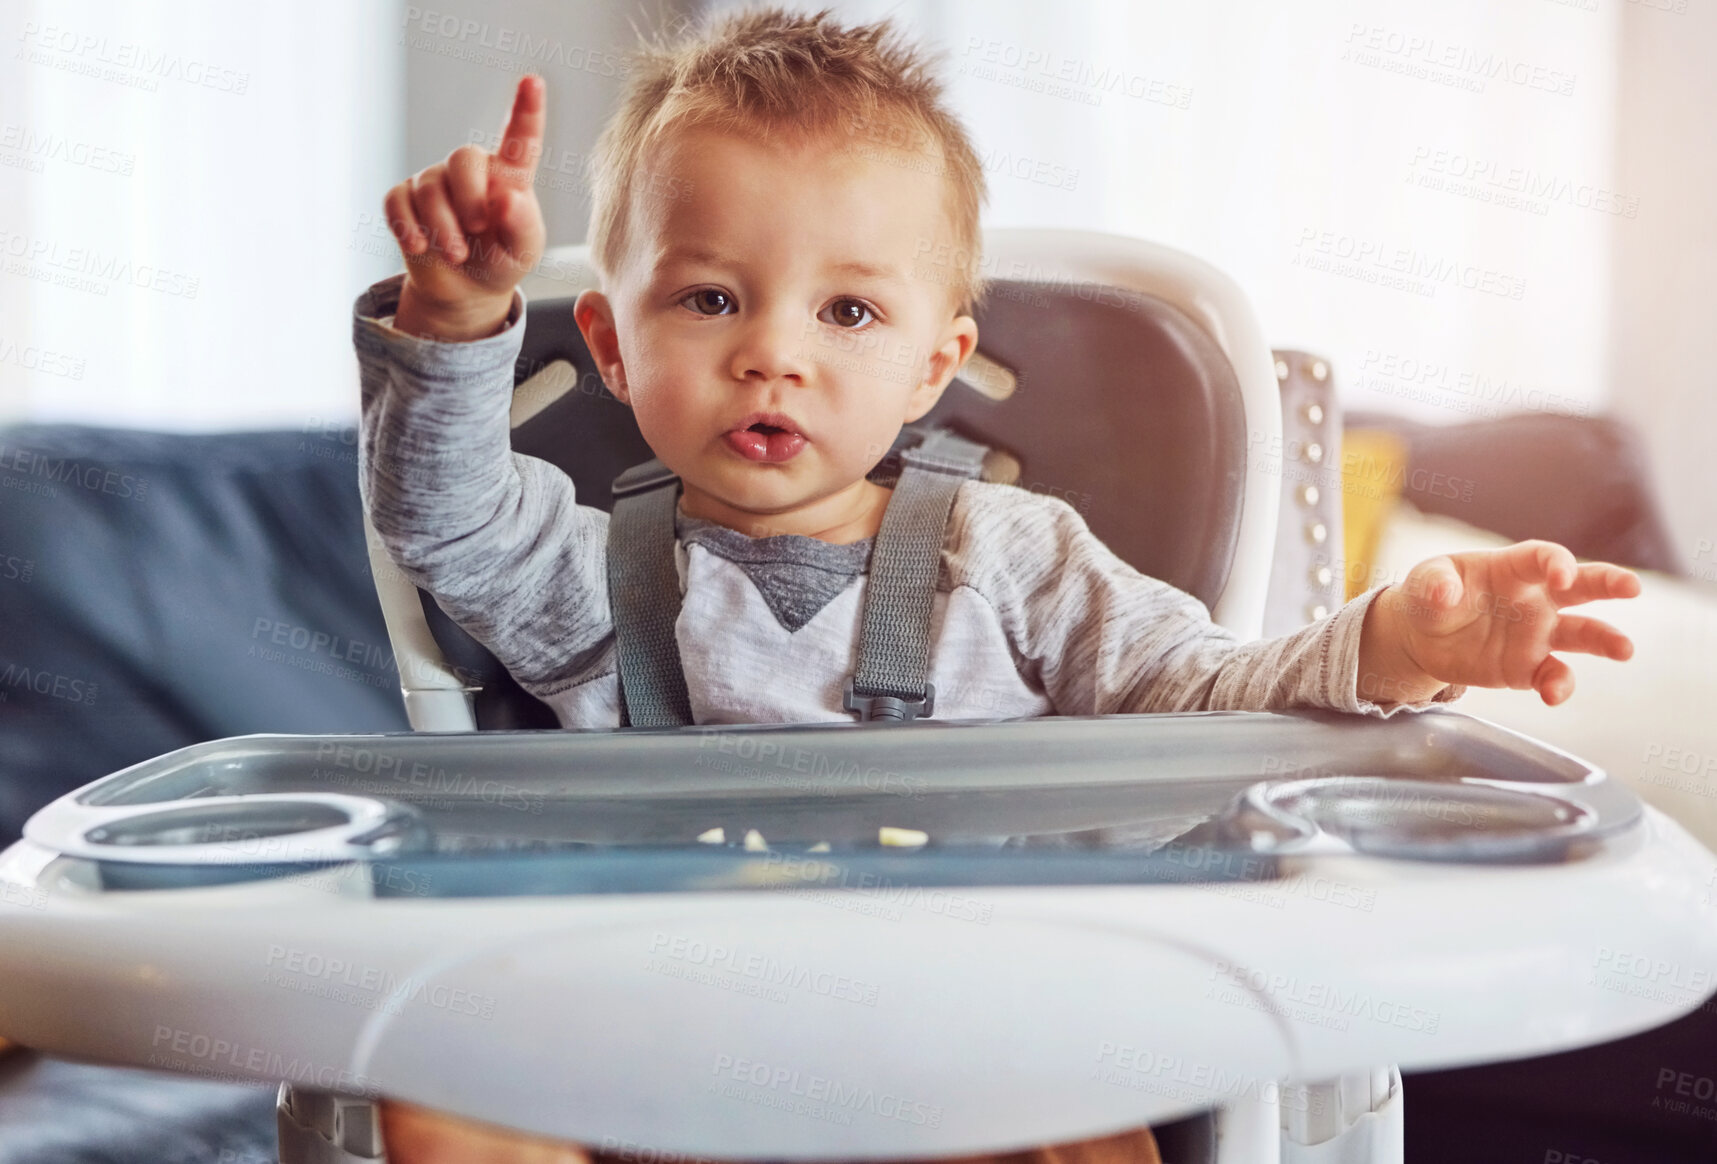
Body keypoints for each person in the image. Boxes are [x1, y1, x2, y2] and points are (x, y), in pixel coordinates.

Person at [354, 8, 1641, 1159]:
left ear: (934, 364)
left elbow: (1202, 699)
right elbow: (441, 516)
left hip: (968, 1048)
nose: (770, 355)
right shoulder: (590, 575)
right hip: (653, 1053)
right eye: (706, 298)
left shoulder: (1012, 556)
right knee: (426, 1096)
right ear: (610, 344)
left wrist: (1393, 647)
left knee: (1086, 1125)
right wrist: (459, 319)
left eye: (847, 313)